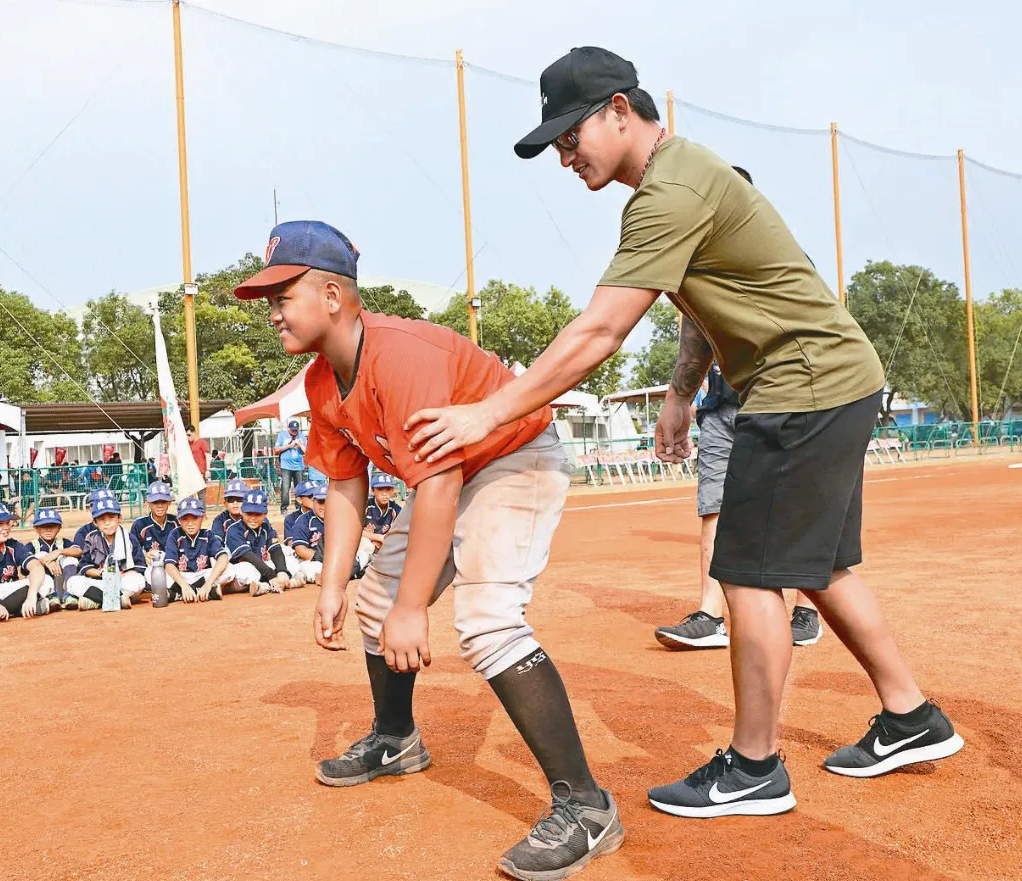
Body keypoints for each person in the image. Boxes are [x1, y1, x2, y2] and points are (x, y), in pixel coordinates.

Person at [404, 47, 962, 818]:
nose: (565, 157)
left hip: (800, 388)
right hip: (831, 378)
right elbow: (706, 303)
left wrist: (487, 412)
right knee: (821, 566)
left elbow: (600, 331)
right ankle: (910, 716)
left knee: (749, 575)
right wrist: (678, 395)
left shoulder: (668, 192)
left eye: (570, 136)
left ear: (618, 111)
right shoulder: (684, 176)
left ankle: (755, 766)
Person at [232, 220, 622, 881]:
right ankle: (396, 739)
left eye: (283, 296)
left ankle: (587, 807)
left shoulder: (399, 355)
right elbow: (346, 485)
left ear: (332, 295)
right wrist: (333, 586)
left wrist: (414, 608)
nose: (272, 313)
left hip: (512, 456)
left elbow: (438, 483)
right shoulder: (322, 380)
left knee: (486, 620)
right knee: (375, 602)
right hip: (452, 474)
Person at [654, 164, 822, 652]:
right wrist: (681, 398)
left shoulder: (782, 253)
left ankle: (804, 610)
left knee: (791, 507)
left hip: (782, 400)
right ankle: (710, 615)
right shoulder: (699, 260)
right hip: (723, 407)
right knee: (715, 506)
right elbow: (697, 331)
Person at [67, 496, 149, 610]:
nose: (107, 523)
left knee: (138, 581)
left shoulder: (129, 538)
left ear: (119, 518)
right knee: (72, 582)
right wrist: (102, 573)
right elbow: (85, 567)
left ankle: (96, 601)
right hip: (100, 582)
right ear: (95, 522)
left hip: (122, 580)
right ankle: (118, 600)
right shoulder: (91, 538)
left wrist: (118, 575)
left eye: (111, 517)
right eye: (101, 519)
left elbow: (140, 566)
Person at [224, 489, 301, 595]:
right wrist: (271, 575)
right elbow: (248, 556)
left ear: (265, 514)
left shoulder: (266, 527)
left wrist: (282, 571)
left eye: (258, 514)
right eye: (249, 513)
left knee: (291, 561)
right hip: (241, 569)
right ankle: (279, 584)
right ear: (241, 511)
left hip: (262, 566)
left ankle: (269, 586)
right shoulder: (234, 529)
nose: (253, 518)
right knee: (248, 570)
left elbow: (275, 549)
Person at [163, 496, 237, 602]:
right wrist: (184, 586)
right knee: (158, 573)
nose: (190, 523)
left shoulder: (208, 535)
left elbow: (223, 557)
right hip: (182, 576)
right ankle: (200, 592)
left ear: (203, 517)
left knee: (229, 570)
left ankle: (178, 594)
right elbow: (169, 564)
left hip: (203, 576)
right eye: (185, 519)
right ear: (179, 520)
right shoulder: (175, 534)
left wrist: (208, 584)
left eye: (195, 518)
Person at [28, 507, 82, 609]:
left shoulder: (63, 542)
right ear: (36, 528)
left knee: (69, 558)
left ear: (59, 528)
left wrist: (59, 552)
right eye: (43, 526)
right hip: (44, 589)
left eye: (52, 525)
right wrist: (46, 561)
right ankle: (51, 596)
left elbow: (78, 551)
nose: (48, 529)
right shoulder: (32, 545)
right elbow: (25, 567)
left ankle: (70, 594)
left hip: (63, 584)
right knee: (39, 556)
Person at [131, 481, 179, 557]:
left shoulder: (176, 522)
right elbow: (133, 551)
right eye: (155, 502)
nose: (160, 505)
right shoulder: (139, 525)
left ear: (169, 502)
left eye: (163, 501)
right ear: (148, 503)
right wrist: (144, 556)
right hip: (150, 563)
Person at [274, 420, 308, 514]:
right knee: (285, 487)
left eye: (296, 430)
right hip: (286, 466)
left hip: (299, 466)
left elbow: (307, 452)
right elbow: (276, 450)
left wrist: (300, 445)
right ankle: (284, 508)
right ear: (288, 429)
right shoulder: (282, 435)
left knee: (299, 488)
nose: (294, 432)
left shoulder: (302, 436)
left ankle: (299, 508)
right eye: (292, 430)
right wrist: (289, 446)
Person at [363, 471, 402, 549]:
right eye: (380, 489)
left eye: (388, 489)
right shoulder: (366, 506)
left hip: (385, 542)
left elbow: (401, 532)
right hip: (366, 541)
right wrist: (378, 538)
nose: (384, 493)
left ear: (393, 491)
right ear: (372, 491)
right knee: (366, 545)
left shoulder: (395, 509)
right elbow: (354, 531)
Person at [186, 423, 211, 502]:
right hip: (191, 472)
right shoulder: (188, 444)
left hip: (201, 472)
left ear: (194, 433)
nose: (188, 437)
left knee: (201, 495)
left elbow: (207, 456)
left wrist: (207, 470)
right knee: (190, 494)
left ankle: (202, 510)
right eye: (186, 435)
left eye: (189, 435)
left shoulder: (202, 442)